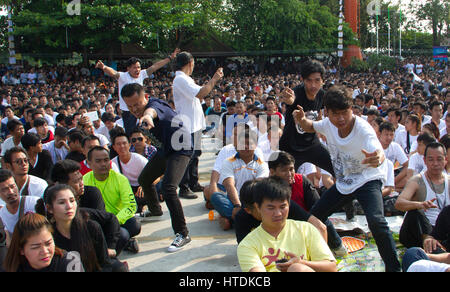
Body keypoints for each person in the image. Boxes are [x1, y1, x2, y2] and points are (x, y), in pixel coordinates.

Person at [294, 85, 401, 272]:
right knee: (315, 216)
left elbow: (378, 150)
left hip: (368, 179)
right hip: (345, 182)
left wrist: (377, 158)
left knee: (376, 221)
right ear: (327, 112)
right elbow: (310, 127)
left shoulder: (363, 129)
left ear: (352, 109)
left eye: (345, 112)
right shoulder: (328, 124)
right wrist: (301, 119)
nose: (341, 118)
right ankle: (336, 246)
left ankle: (394, 268)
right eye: (336, 114)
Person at [121, 82, 193, 252]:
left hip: (181, 149)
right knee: (144, 179)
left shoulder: (156, 105)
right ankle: (155, 210)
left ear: (145, 97)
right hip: (165, 150)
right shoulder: (133, 115)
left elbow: (150, 113)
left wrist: (147, 117)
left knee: (168, 188)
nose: (134, 109)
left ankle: (183, 234)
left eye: (137, 104)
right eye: (130, 106)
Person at [237, 177, 337, 272]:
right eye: (271, 208)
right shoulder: (248, 244)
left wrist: (301, 263)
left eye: (282, 207)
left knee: (297, 268)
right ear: (258, 207)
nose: (278, 213)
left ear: (289, 205)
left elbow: (331, 267)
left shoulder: (306, 229)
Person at [267, 151, 346, 256]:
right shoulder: (267, 189)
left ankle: (337, 246)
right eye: (284, 170)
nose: (289, 174)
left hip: (307, 222)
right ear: (272, 172)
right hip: (282, 228)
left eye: (291, 169)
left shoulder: (301, 181)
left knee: (321, 218)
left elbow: (317, 207)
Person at [35, 184, 128, 272]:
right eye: (62, 202)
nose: (69, 206)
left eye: (72, 200)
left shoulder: (92, 227)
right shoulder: (48, 236)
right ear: (50, 208)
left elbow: (104, 263)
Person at [173, 51, 224, 199]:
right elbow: (201, 93)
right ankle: (184, 186)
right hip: (187, 124)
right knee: (187, 157)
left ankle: (193, 182)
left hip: (194, 124)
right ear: (190, 63)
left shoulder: (186, 79)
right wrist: (214, 79)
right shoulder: (181, 79)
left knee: (195, 155)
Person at [96, 49, 179, 136]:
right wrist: (104, 67)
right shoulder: (123, 76)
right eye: (134, 67)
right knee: (131, 133)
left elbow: (155, 66)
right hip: (129, 111)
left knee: (146, 130)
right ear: (128, 68)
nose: (137, 69)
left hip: (142, 108)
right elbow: (113, 73)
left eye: (139, 67)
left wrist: (169, 58)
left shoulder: (142, 74)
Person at [50, 159, 122, 255]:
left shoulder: (92, 192)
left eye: (81, 178)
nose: (81, 183)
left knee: (123, 234)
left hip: (90, 239)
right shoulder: (51, 198)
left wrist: (110, 247)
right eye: (76, 181)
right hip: (63, 242)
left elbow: (105, 220)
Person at [279, 60, 334, 175]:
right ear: (303, 80)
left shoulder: (322, 95)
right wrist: (288, 99)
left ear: (322, 81)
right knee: (283, 183)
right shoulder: (296, 93)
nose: (313, 85)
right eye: (309, 80)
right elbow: (291, 100)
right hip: (290, 147)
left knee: (337, 169)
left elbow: (321, 114)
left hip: (312, 145)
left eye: (317, 80)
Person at [83, 146, 141, 255]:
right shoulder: (84, 180)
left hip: (117, 219)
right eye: (98, 161)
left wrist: (114, 221)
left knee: (134, 225)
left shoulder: (120, 179)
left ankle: (111, 254)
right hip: (96, 222)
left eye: (106, 160)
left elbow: (131, 206)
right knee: (123, 235)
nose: (103, 164)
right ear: (89, 163)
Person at [209, 127, 269, 230]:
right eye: (242, 144)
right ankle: (247, 220)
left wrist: (248, 206)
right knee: (216, 197)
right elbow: (229, 185)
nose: (245, 147)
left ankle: (233, 220)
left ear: (255, 145)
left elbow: (258, 186)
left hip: (253, 201)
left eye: (249, 144)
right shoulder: (228, 162)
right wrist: (237, 205)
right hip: (234, 200)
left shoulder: (261, 165)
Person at [395, 142, 450, 251]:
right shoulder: (417, 180)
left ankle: (436, 246)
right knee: (415, 212)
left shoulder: (448, 180)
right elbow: (399, 203)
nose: (435, 163)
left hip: (439, 232)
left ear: (445, 160)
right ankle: (429, 244)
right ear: (424, 161)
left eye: (439, 159)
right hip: (417, 230)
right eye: (431, 159)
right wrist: (420, 204)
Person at [2, 212, 84, 272]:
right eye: (36, 247)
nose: (45, 251)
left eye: (48, 243)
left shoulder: (70, 261)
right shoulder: (12, 268)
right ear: (21, 250)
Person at [111, 131, 162, 216]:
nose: (122, 146)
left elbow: (157, 176)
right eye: (118, 144)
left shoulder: (139, 159)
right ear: (114, 147)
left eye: (124, 143)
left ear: (129, 145)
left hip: (144, 187)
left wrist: (144, 186)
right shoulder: (113, 163)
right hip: (129, 190)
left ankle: (151, 206)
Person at [0, 169, 40, 243]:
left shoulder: (35, 203)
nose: (11, 192)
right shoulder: (2, 215)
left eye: (12, 186)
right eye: (4, 189)